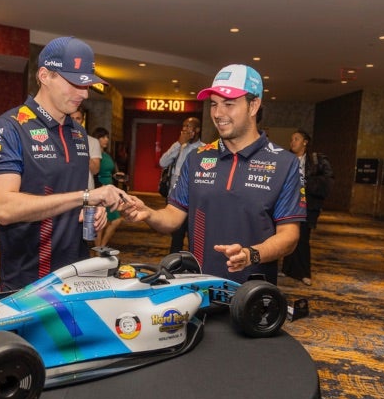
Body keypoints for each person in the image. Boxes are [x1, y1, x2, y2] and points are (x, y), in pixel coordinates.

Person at [123, 64, 305, 284]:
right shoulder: (197, 158)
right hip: (198, 285)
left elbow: (289, 236)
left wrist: (250, 255)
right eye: (214, 104)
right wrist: (149, 213)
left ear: (254, 105)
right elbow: (173, 217)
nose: (218, 114)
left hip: (253, 290)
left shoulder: (284, 163)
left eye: (229, 104)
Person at [0, 36, 130, 291]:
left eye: (87, 85)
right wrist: (85, 197)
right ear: (44, 75)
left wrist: (94, 209)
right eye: (74, 83)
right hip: (28, 280)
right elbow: (4, 209)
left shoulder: (78, 133)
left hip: (78, 274)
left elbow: (77, 195)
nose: (83, 94)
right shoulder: (9, 128)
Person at [281, 130, 334, 286]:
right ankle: (287, 268)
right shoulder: (286, 159)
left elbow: (328, 181)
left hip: (307, 205)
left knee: (303, 238)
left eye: (296, 139)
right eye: (291, 139)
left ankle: (304, 273)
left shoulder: (315, 160)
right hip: (289, 204)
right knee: (289, 236)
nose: (293, 142)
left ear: (305, 142)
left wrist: (307, 183)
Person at [159, 117, 204, 253]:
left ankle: (194, 268)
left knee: (194, 239)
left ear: (197, 130)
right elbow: (162, 162)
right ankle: (174, 268)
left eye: (188, 126)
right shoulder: (179, 147)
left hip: (193, 203)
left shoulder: (204, 149)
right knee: (176, 238)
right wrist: (178, 143)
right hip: (175, 201)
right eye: (183, 126)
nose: (184, 129)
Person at [92, 127, 124, 247]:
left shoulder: (106, 154)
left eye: (107, 137)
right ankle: (98, 250)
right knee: (101, 222)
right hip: (99, 188)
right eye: (103, 137)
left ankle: (101, 247)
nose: (106, 139)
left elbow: (108, 171)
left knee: (115, 220)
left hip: (109, 188)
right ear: (96, 139)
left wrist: (116, 175)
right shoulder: (94, 155)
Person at [72, 106, 102, 190]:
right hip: (65, 190)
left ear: (82, 120)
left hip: (86, 190)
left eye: (78, 118)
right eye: (72, 118)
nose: (74, 121)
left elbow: (95, 170)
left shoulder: (93, 141)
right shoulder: (59, 139)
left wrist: (82, 150)